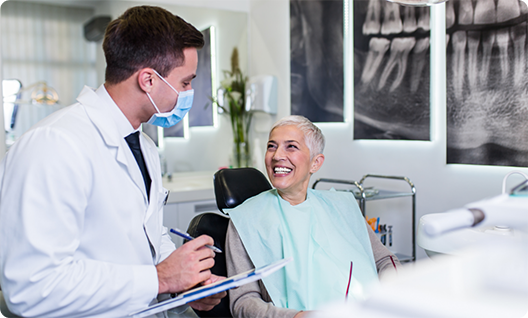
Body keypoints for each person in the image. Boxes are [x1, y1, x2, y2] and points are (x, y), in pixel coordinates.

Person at [0, 6, 225, 318]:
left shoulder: (143, 145)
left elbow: (148, 235)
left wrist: (184, 285)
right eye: (186, 82)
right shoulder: (54, 144)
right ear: (148, 79)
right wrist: (160, 279)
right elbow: (32, 287)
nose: (190, 92)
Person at [225, 115, 400, 318]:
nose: (276, 156)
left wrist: (394, 294)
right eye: (272, 146)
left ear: (315, 163)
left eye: (291, 147)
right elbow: (243, 302)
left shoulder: (342, 206)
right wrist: (298, 316)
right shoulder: (245, 219)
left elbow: (384, 260)